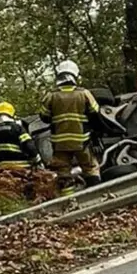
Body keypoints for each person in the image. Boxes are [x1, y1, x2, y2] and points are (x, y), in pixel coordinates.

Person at [40, 59, 104, 189]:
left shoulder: (50, 96)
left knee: (62, 172)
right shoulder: (84, 93)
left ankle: (68, 204)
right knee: (90, 168)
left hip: (60, 143)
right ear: (75, 75)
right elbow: (96, 115)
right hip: (82, 141)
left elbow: (44, 117)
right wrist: (97, 136)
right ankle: (96, 196)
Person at [0, 102, 41, 171]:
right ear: (11, 115)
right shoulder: (17, 128)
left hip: (1, 171)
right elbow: (29, 146)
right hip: (21, 169)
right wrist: (38, 161)